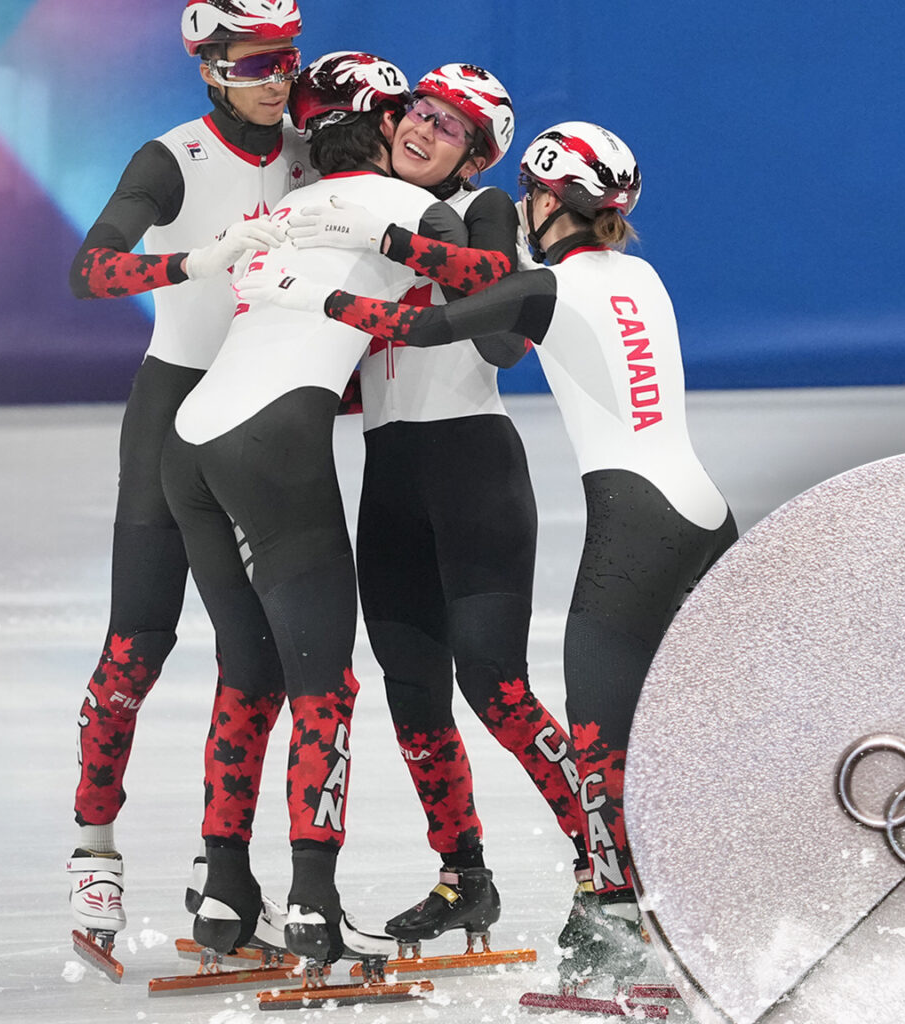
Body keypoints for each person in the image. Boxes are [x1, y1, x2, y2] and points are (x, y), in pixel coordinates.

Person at [239, 121, 739, 991]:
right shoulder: (641, 275)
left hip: (637, 530)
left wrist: (303, 285)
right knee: (701, 731)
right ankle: (689, 898)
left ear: (549, 201)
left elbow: (424, 326)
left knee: (602, 747)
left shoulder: (544, 285)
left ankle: (620, 923)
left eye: (533, 196)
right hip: (704, 516)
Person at [161, 50, 469, 965]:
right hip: (273, 446)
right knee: (322, 687)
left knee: (246, 673)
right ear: (384, 128)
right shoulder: (409, 205)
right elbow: (484, 282)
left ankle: (226, 893)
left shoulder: (292, 206)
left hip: (192, 440)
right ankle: (313, 905)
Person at [282, 65, 589, 952]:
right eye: (418, 112)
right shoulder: (372, 209)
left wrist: (426, 240)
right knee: (413, 696)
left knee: (496, 688)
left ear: (475, 157)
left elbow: (504, 344)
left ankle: (609, 861)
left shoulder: (482, 212)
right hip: (389, 477)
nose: (422, 129)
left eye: (448, 128)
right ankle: (465, 878)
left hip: (472, 472)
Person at [63, 0, 309, 959]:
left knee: (259, 658)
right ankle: (94, 852)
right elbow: (89, 271)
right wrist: (194, 262)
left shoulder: (313, 153)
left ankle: (223, 877)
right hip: (173, 413)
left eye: (285, 59)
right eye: (252, 63)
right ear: (209, 68)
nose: (274, 78)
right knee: (139, 643)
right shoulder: (171, 158)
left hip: (261, 418)